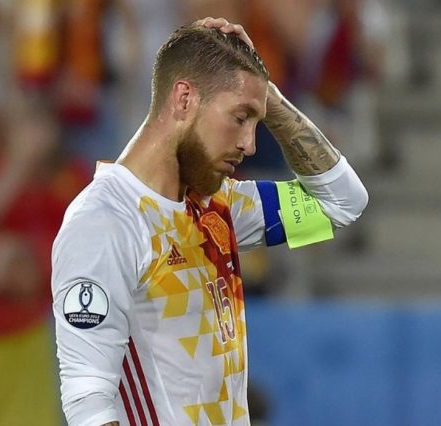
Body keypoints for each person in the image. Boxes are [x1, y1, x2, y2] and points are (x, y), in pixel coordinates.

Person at [51, 17, 368, 426]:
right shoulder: (105, 223)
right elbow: (88, 404)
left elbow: (342, 202)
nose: (250, 144)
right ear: (184, 98)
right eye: (239, 117)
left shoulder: (220, 206)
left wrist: (266, 96)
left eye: (255, 122)